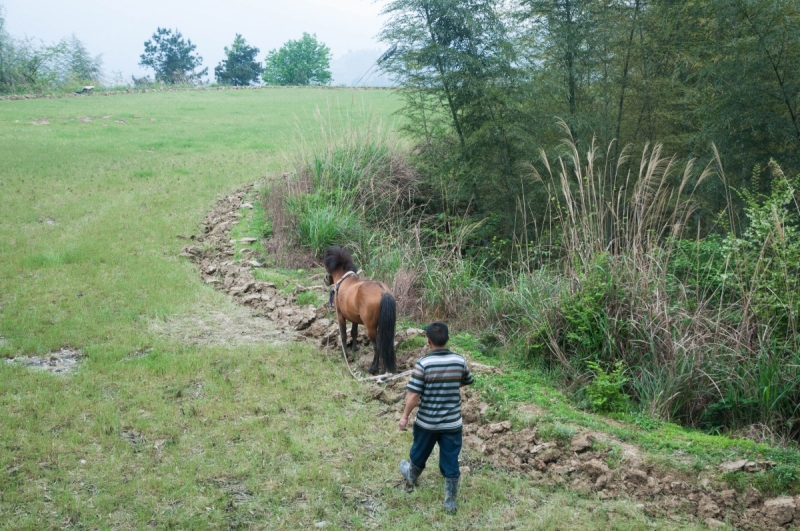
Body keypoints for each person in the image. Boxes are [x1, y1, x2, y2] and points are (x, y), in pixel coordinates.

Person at [398, 321, 474, 513]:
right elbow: (466, 380)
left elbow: (414, 394)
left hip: (427, 423)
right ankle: (450, 500)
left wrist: (405, 416)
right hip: (452, 423)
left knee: (419, 451)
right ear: (448, 339)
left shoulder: (423, 364)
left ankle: (412, 475)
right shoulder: (459, 360)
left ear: (428, 341)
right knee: (450, 457)